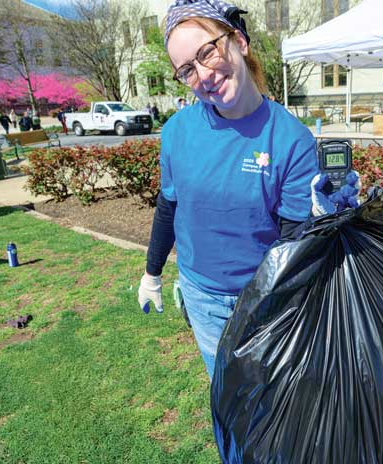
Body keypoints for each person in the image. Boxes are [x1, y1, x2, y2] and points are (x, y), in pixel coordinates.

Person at [137, 0, 319, 380]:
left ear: (238, 40)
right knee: (225, 393)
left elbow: (293, 243)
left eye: (207, 52)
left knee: (271, 401)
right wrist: (152, 273)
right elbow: (169, 207)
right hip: (201, 298)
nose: (203, 74)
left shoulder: (291, 140)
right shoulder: (176, 133)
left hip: (264, 302)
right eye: (186, 70)